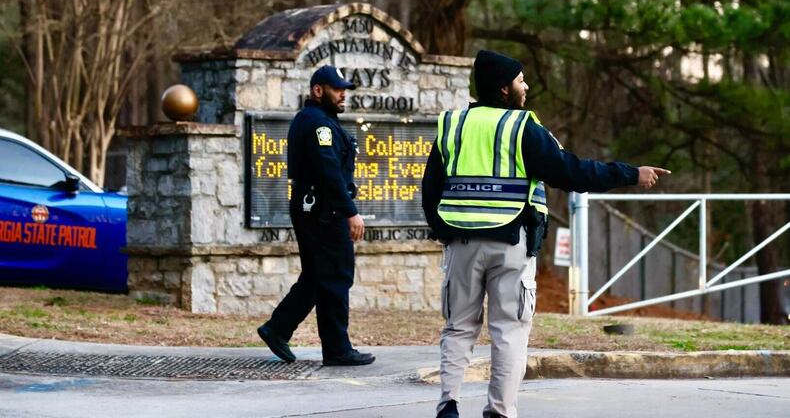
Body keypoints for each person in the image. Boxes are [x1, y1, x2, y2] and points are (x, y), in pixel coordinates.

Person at [422, 50, 670, 418]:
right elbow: (573, 172)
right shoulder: (522, 128)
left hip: (461, 244)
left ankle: (449, 405)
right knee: (508, 330)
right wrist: (629, 174)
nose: (527, 86)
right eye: (522, 81)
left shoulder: (453, 125)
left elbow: (431, 188)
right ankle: (499, 412)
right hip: (510, 246)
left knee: (458, 327)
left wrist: (445, 230)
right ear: (505, 89)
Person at [257, 65, 374, 367]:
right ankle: (337, 350)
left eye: (344, 90)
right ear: (318, 90)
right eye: (337, 90)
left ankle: (278, 328)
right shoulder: (317, 124)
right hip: (324, 210)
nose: (343, 95)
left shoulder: (318, 120)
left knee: (317, 276)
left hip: (315, 207)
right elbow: (329, 171)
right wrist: (350, 211)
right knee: (335, 275)